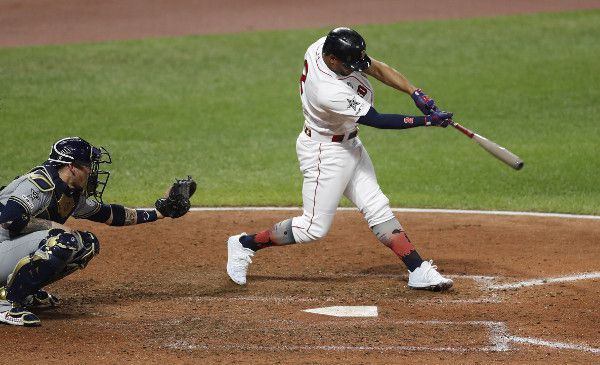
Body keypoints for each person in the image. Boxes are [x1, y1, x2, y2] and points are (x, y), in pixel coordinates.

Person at [227, 27, 454, 291]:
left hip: (349, 143)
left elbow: (375, 67)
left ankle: (418, 270)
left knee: (377, 206)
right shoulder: (327, 90)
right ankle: (244, 244)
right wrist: (426, 121)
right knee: (313, 229)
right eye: (350, 65)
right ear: (332, 60)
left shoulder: (327, 46)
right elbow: (378, 120)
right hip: (325, 153)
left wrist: (414, 92)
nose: (356, 69)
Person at [0, 137, 195, 326]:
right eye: (89, 166)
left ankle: (23, 291)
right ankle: (6, 304)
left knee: (86, 244)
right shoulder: (38, 185)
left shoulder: (70, 194)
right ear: (71, 167)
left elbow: (111, 214)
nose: (92, 171)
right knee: (62, 241)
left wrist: (161, 212)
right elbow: (10, 218)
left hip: (7, 250)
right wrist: (52, 226)